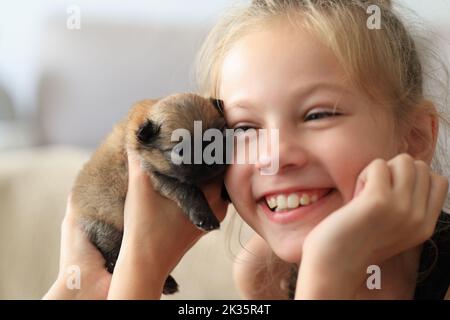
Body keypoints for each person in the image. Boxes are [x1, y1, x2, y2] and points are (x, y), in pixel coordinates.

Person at [44, 0, 450, 300]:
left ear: (413, 137)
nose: (274, 155)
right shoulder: (265, 279)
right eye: (244, 128)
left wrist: (330, 272)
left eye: (318, 115)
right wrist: (125, 270)